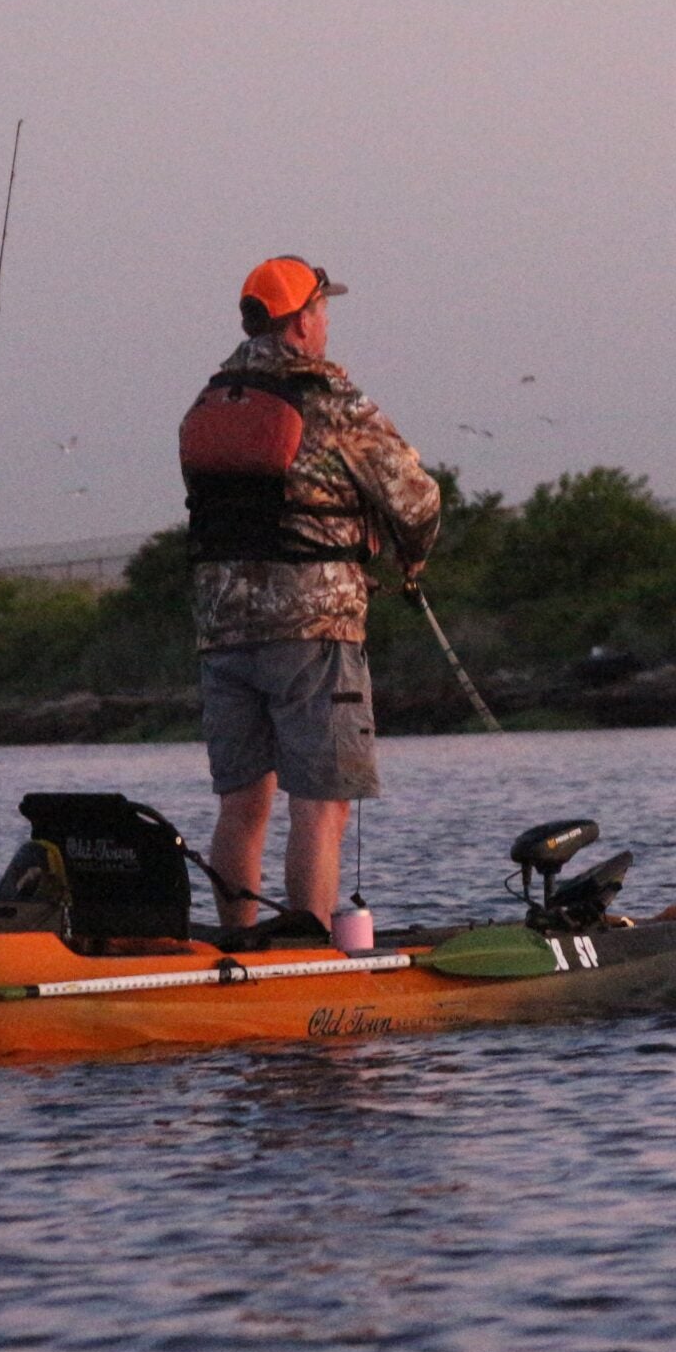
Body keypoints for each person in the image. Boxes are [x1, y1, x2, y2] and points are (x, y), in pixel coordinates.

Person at [178, 254, 441, 928]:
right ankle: (311, 955)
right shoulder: (333, 402)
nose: (326, 324)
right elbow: (417, 500)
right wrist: (410, 560)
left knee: (242, 805)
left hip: (221, 632)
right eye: (322, 311)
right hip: (314, 631)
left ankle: (237, 949)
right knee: (321, 807)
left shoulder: (210, 401)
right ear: (299, 322)